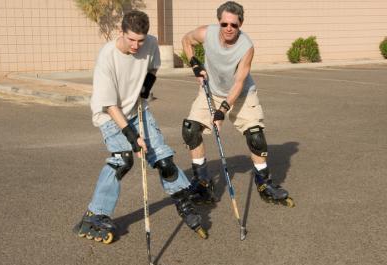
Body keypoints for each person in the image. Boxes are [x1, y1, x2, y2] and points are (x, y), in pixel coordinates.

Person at [75, 10, 207, 244]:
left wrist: (145, 89)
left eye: (140, 40)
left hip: (137, 108)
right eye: (131, 40)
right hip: (109, 113)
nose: (136, 46)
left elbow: (153, 67)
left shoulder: (151, 43)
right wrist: (132, 135)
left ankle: (183, 201)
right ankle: (95, 214)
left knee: (164, 159)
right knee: (123, 159)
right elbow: (110, 106)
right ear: (121, 33)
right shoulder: (107, 57)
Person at [181, 1, 292, 206]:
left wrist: (222, 111)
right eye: (225, 24)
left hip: (240, 94)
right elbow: (186, 40)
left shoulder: (246, 46)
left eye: (234, 25)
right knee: (190, 129)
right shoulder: (206, 33)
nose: (229, 28)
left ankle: (264, 183)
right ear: (219, 23)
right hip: (211, 91)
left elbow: (239, 82)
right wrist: (195, 64)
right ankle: (203, 183)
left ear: (240, 24)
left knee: (256, 135)